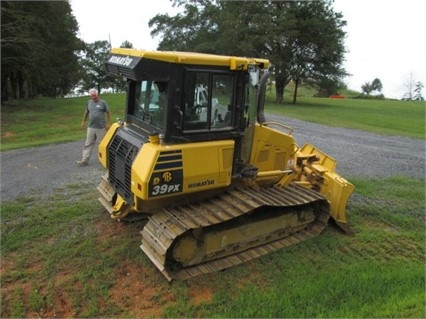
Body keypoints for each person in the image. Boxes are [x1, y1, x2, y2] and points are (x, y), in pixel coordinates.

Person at [77, 88, 111, 166]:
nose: (93, 97)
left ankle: (105, 161)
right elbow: (86, 113)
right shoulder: (88, 102)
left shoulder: (103, 102)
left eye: (94, 95)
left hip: (101, 127)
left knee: (102, 144)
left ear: (97, 94)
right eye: (92, 96)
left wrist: (108, 123)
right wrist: (83, 122)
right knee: (88, 144)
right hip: (91, 127)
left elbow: (108, 113)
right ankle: (85, 160)